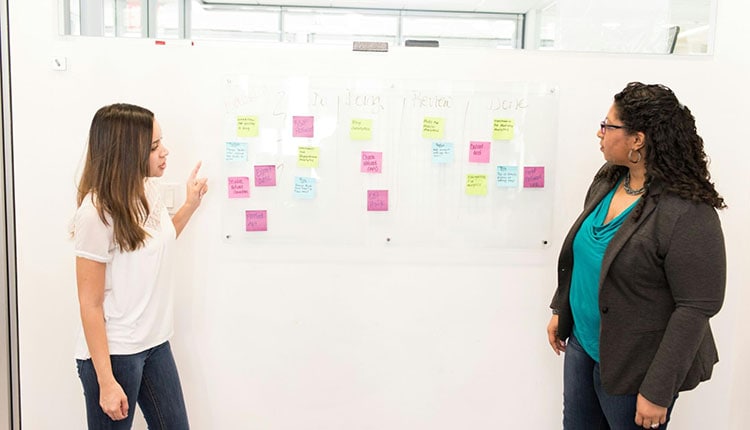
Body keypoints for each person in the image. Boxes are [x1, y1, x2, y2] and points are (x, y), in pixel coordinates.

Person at [546, 82, 726, 430]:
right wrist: (562, 309)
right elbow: (585, 257)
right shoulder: (609, 180)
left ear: (637, 140)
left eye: (608, 125)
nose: (599, 133)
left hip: (636, 366)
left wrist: (658, 390)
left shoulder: (687, 211)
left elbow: (696, 307)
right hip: (584, 344)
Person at [72, 103, 208, 429]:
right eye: (154, 146)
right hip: (116, 353)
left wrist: (190, 204)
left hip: (155, 344)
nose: (166, 152)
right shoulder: (96, 213)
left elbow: (158, 242)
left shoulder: (146, 190)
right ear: (126, 152)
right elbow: (89, 304)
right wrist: (106, 382)